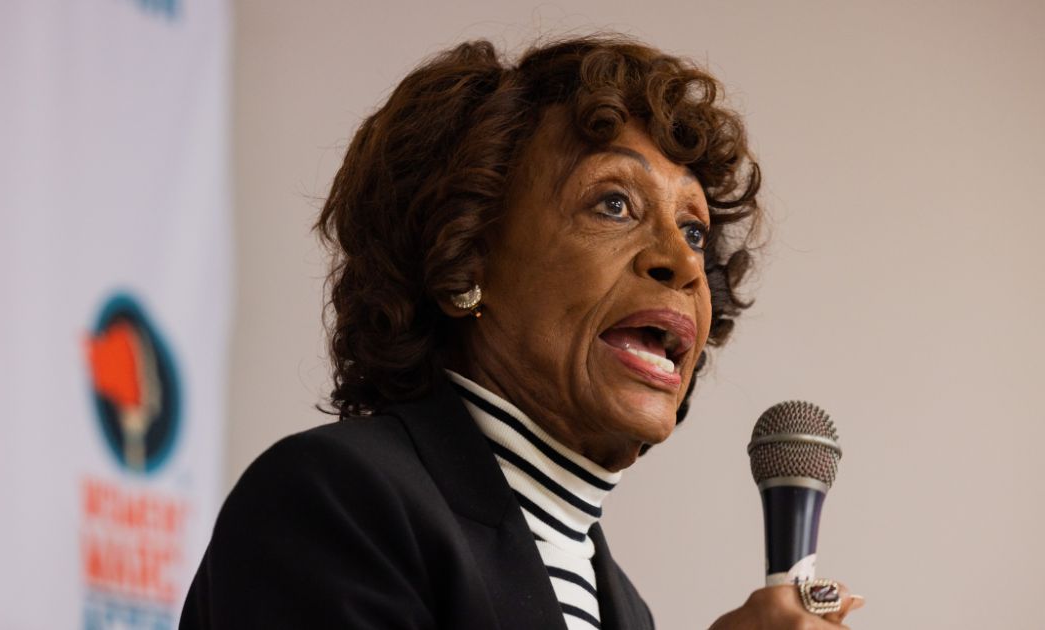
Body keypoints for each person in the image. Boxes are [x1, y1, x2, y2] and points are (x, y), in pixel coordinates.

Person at [180, 34, 862, 629]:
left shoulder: (621, 604)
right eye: (615, 203)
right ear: (463, 261)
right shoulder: (334, 503)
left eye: (692, 230)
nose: (684, 262)